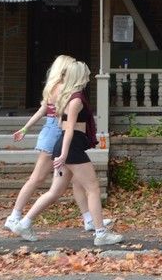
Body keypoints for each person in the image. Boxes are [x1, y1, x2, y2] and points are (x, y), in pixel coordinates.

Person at [11, 60, 123, 246]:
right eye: (86, 74)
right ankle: (101, 233)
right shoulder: (76, 99)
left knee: (55, 191)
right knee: (93, 188)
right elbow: (69, 129)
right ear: (80, 76)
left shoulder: (66, 96)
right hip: (71, 147)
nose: (88, 77)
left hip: (67, 147)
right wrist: (63, 155)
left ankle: (24, 222)